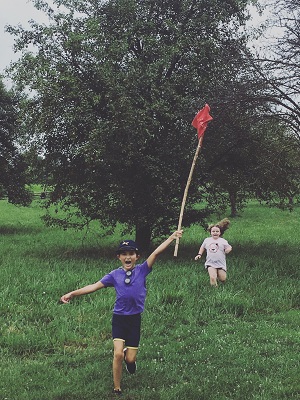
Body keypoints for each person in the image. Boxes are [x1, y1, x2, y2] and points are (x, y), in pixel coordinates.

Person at [60, 230, 183, 396]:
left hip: (134, 320)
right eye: (124, 254)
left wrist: (171, 238)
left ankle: (129, 358)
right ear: (119, 257)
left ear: (137, 256)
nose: (128, 257)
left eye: (131, 253)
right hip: (119, 319)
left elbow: (156, 253)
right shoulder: (114, 275)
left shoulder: (142, 270)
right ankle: (117, 387)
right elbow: (94, 286)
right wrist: (72, 293)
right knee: (117, 354)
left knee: (130, 359)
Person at [194, 218, 232, 287]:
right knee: (212, 277)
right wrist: (199, 254)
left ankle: (218, 276)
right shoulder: (207, 240)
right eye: (213, 231)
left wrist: (228, 250)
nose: (215, 232)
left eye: (217, 231)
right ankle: (215, 290)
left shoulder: (222, 241)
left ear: (220, 233)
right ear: (210, 232)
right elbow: (202, 247)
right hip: (210, 262)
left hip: (220, 263)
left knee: (223, 279)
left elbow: (229, 247)